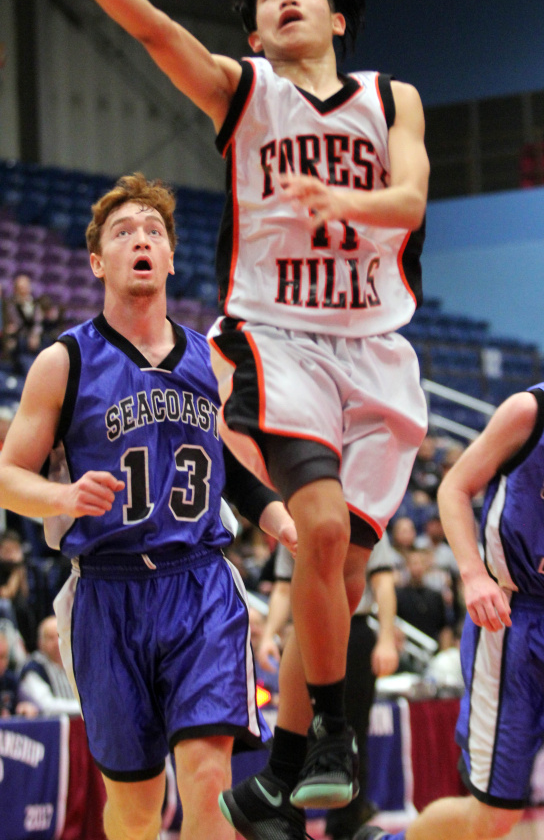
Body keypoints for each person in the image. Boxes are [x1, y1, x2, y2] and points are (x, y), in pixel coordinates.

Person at [2, 0, 429, 836]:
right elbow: (154, 30)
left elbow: (409, 197)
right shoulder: (247, 95)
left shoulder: (391, 99)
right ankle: (319, 755)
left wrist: (350, 203)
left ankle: (295, 763)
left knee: (331, 591)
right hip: (261, 367)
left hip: (355, 372)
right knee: (136, 796)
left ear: (339, 14)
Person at [0, 173, 297, 840]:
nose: (141, 239)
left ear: (168, 258)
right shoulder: (64, 361)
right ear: (98, 261)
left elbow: (234, 472)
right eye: (123, 231)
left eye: (154, 231)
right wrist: (61, 496)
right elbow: (5, 476)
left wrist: (274, 513)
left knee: (207, 779)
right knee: (134, 810)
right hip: (108, 592)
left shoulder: (211, 361)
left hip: (199, 585)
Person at [355, 285, 544, 840]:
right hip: (517, 619)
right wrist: (473, 574)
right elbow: (454, 488)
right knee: (495, 817)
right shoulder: (532, 410)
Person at [259, 533, 400, 840]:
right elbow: (284, 587)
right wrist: (269, 633)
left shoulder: (367, 509)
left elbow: (383, 582)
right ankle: (286, 820)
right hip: (306, 630)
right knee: (296, 729)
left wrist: (387, 638)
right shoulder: (293, 519)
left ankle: (345, 829)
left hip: (356, 629)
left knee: (352, 732)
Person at [18, 614, 81, 717]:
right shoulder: (34, 669)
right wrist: (85, 707)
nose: (57, 643)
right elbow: (47, 706)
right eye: (51, 638)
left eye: (60, 636)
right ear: (40, 643)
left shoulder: (77, 662)